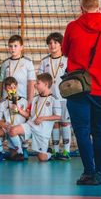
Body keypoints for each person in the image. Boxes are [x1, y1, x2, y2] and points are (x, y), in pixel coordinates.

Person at [63, 0, 101, 185]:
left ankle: (89, 171)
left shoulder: (73, 27)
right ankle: (100, 172)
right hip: (100, 87)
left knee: (82, 131)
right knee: (100, 131)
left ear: (81, 9)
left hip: (77, 87)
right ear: (99, 8)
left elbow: (65, 51)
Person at [8, 73, 62, 162]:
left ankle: (49, 153)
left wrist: (42, 118)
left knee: (42, 158)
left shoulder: (54, 99)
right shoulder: (35, 98)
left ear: (46, 84)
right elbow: (28, 115)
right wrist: (18, 110)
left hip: (42, 130)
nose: (35, 85)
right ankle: (20, 153)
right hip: (30, 125)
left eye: (38, 83)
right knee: (12, 131)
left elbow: (58, 116)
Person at [0, 35, 36, 158]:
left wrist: (30, 100)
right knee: (11, 124)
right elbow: (1, 82)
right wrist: (0, 98)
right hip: (8, 101)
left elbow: (31, 82)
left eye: (15, 46)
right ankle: (15, 148)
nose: (13, 48)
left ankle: (24, 148)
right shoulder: (5, 63)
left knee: (21, 123)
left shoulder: (27, 62)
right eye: (10, 46)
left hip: (22, 100)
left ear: (21, 47)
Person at [38, 32, 72, 160]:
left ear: (61, 44)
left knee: (65, 123)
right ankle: (56, 151)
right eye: (50, 43)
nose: (52, 45)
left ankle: (66, 151)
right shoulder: (44, 61)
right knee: (54, 124)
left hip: (64, 97)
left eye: (55, 42)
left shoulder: (67, 59)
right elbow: (40, 80)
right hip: (50, 99)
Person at [0, 76, 29, 161]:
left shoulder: (24, 101)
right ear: (5, 89)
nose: (12, 89)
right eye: (9, 88)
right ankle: (1, 153)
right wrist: (6, 126)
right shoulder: (3, 103)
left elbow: (28, 117)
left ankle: (23, 150)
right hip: (8, 128)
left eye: (14, 87)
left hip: (20, 128)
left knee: (14, 156)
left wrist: (19, 110)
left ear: (17, 87)